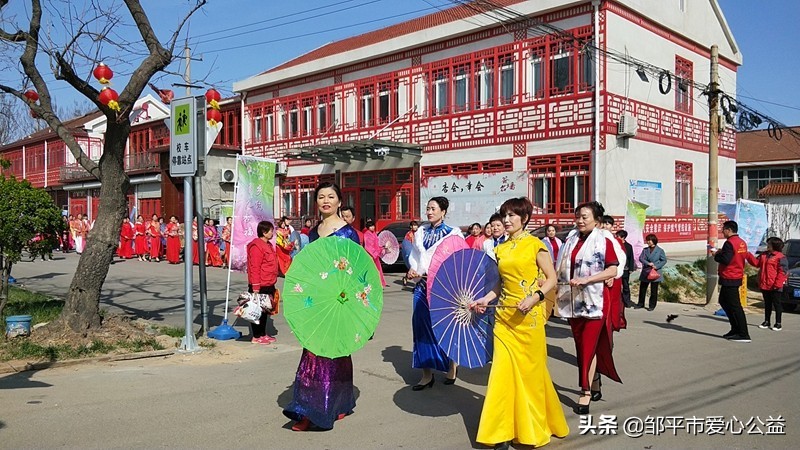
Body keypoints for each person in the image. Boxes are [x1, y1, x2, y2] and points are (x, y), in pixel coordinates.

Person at [471, 197, 569, 449]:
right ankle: (500, 432)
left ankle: (534, 426)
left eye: (512, 215)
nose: (506, 220)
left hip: (529, 320)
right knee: (502, 375)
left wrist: (535, 297)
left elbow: (551, 278)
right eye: (504, 215)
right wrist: (485, 298)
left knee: (530, 376)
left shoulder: (535, 245)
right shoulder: (500, 249)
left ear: (524, 218)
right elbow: (499, 284)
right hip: (504, 319)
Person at [284, 181, 361, 432]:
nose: (325, 201)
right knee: (313, 351)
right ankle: (312, 406)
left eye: (330, 197)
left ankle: (330, 405)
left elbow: (356, 270)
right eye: (320, 197)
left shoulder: (349, 233)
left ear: (339, 201)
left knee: (337, 351)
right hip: (317, 300)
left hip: (340, 300)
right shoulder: (315, 231)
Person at [555, 201, 621, 414]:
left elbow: (612, 269)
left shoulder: (604, 240)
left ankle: (584, 392)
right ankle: (594, 381)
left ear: (596, 219)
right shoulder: (571, 238)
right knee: (581, 345)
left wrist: (588, 280)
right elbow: (560, 266)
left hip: (595, 302)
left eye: (585, 216)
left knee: (587, 347)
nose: (580, 220)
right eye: (578, 216)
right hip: (572, 302)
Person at [406, 196, 461, 390]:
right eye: (428, 208)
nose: (429, 212)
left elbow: (458, 260)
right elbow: (415, 256)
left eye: (433, 208)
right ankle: (426, 374)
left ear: (443, 211)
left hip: (442, 289)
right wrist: (413, 270)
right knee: (420, 328)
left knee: (445, 328)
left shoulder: (454, 233)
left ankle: (452, 365)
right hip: (421, 286)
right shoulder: (420, 231)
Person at [711, 221, 751, 343]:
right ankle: (735, 329)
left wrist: (716, 255)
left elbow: (726, 259)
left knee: (735, 306)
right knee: (723, 301)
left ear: (728, 230)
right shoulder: (741, 242)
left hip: (730, 277)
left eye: (723, 229)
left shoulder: (729, 243)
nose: (722, 232)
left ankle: (743, 333)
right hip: (735, 276)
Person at [246, 220, 279, 344]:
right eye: (270, 231)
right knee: (256, 311)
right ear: (264, 232)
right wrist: (255, 286)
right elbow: (254, 267)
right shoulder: (256, 246)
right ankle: (256, 335)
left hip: (269, 283)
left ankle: (263, 333)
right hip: (260, 284)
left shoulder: (268, 245)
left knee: (265, 310)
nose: (272, 233)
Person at [745, 237, 788, 331]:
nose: (767, 246)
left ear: (774, 246)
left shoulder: (780, 257)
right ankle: (766, 321)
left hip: (775, 285)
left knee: (777, 304)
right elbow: (756, 263)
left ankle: (778, 323)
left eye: (769, 244)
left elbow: (783, 272)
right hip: (765, 284)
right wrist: (748, 255)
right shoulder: (764, 255)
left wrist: (778, 284)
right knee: (767, 304)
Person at [637, 234, 666, 311]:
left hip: (655, 272)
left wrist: (656, 266)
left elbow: (664, 260)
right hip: (646, 271)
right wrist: (647, 263)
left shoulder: (660, 250)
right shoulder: (645, 250)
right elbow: (641, 258)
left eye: (649, 240)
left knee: (654, 290)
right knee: (642, 288)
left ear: (654, 241)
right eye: (647, 240)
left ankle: (652, 305)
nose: (648, 242)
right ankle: (640, 303)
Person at [363, 219, 388, 287]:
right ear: (368, 227)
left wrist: (381, 248)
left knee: (378, 270)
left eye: (373, 226)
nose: (373, 227)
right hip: (371, 255)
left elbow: (377, 245)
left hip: (375, 255)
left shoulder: (374, 234)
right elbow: (368, 247)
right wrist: (375, 253)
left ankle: (379, 284)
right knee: (372, 270)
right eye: (371, 226)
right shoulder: (367, 234)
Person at [616, 230, 636, 308]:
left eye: (618, 236)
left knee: (625, 286)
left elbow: (631, 258)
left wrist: (631, 268)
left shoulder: (628, 246)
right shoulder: (615, 245)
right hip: (617, 269)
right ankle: (619, 301)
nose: (616, 238)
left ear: (623, 237)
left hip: (625, 269)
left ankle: (627, 301)